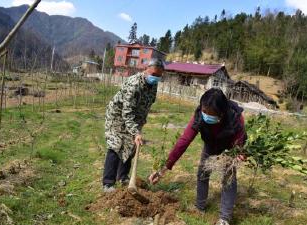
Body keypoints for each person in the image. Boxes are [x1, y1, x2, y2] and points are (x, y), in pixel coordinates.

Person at [148, 88, 247, 225]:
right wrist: (164, 168)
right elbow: (184, 142)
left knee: (229, 178)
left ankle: (224, 218)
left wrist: (238, 154)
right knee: (202, 173)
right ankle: (200, 207)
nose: (205, 114)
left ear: (221, 113)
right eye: (203, 110)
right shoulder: (199, 116)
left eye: (209, 113)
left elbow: (240, 143)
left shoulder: (236, 118)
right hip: (211, 143)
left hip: (229, 148)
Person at [102, 58, 165, 192]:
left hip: (135, 119)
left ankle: (123, 177)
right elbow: (126, 112)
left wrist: (138, 128)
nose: (156, 78)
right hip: (117, 116)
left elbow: (147, 105)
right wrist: (136, 132)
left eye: (159, 76)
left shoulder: (153, 85)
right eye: (154, 74)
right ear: (146, 70)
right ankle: (108, 183)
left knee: (131, 146)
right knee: (116, 145)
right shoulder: (134, 84)